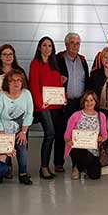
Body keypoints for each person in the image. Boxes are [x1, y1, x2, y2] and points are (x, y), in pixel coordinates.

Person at [28, 36, 65, 180]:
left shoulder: (54, 63)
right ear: (39, 47)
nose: (47, 48)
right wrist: (39, 104)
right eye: (44, 45)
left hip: (55, 105)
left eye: (50, 45)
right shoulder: (35, 63)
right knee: (49, 134)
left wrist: (64, 98)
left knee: (54, 135)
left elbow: (58, 85)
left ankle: (48, 165)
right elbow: (34, 85)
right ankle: (43, 167)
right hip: (43, 106)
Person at [0, 69, 34, 185]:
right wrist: (2, 135)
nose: (16, 83)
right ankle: (0, 174)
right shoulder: (0, 96)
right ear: (7, 83)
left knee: (22, 150)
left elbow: (29, 114)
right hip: (2, 130)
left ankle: (23, 174)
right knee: (3, 153)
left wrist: (23, 132)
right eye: (12, 80)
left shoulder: (26, 94)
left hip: (20, 130)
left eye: (19, 80)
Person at [55, 32, 90, 173]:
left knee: (78, 133)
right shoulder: (58, 58)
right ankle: (58, 162)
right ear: (66, 44)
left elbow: (86, 80)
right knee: (61, 133)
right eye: (72, 43)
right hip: (63, 103)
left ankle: (77, 163)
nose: (75, 46)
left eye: (77, 43)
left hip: (79, 102)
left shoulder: (82, 60)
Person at [64, 90, 108, 180]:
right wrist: (69, 141)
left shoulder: (101, 116)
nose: (89, 103)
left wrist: (101, 138)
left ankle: (83, 167)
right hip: (78, 149)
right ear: (83, 102)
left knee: (95, 176)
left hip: (94, 150)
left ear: (95, 102)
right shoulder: (75, 116)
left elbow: (105, 135)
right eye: (86, 100)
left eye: (91, 100)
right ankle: (77, 167)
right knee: (86, 157)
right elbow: (67, 135)